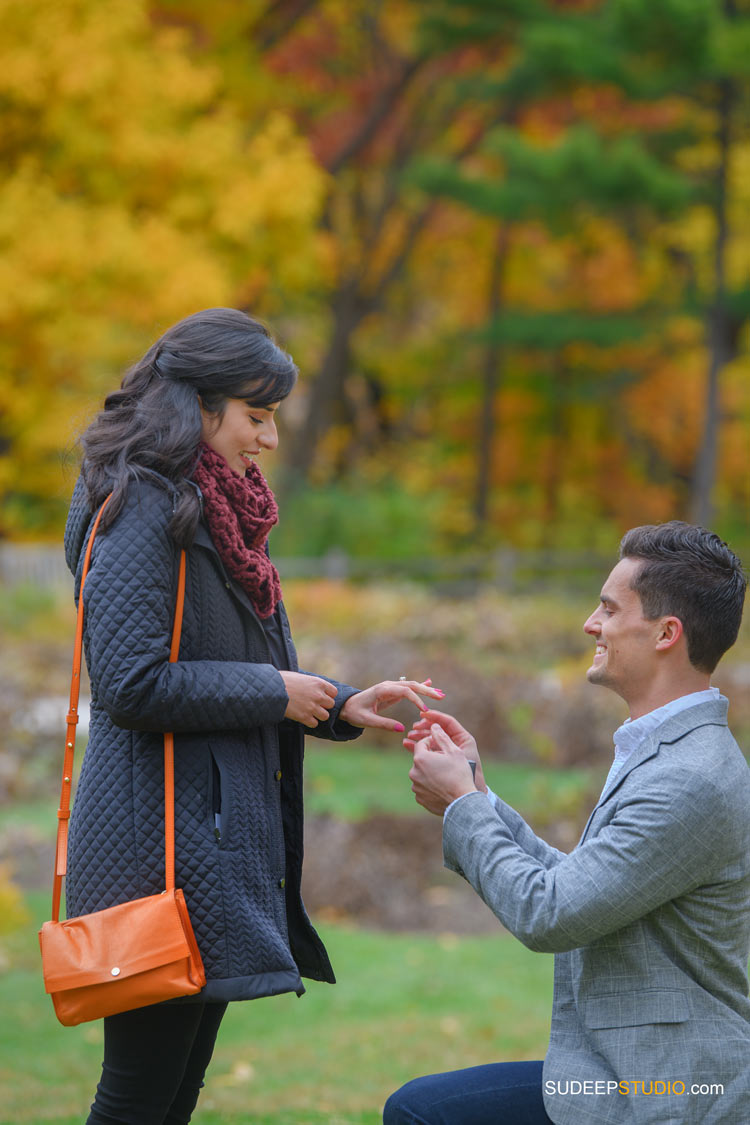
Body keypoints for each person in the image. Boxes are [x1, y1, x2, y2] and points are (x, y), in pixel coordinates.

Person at [64, 306, 444, 1125]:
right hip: (155, 850)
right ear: (197, 408)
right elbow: (129, 684)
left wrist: (339, 701)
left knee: (173, 1095)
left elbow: (239, 656)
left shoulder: (219, 511)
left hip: (207, 850)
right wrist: (276, 690)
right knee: (136, 1098)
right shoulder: (141, 508)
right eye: (256, 416)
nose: (268, 439)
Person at [384, 521, 750, 1125]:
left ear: (666, 633)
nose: (590, 624)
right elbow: (582, 884)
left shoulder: (690, 777)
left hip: (667, 1093)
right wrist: (477, 793)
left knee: (422, 1114)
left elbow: (550, 914)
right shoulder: (668, 751)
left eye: (608, 609)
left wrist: (462, 808)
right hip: (617, 1075)